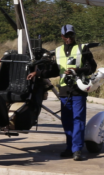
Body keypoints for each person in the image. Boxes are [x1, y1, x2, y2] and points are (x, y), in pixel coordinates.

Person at [30, 24, 96, 161]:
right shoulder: (58, 51)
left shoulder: (83, 48)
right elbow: (54, 70)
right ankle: (69, 147)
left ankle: (77, 149)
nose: (69, 38)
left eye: (71, 35)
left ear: (74, 35)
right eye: (66, 36)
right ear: (61, 36)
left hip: (78, 89)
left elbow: (92, 67)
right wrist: (38, 73)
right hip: (64, 91)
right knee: (67, 121)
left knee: (78, 119)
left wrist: (78, 71)